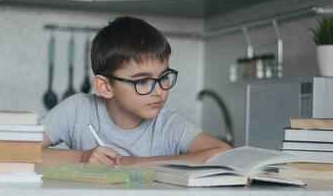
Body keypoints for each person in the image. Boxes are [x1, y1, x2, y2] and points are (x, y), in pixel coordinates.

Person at [40, 16, 231, 167]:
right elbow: (13, 151)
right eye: (142, 81)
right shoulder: (78, 110)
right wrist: (81, 158)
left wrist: (139, 163)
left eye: (163, 77)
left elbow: (224, 153)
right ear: (105, 87)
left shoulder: (167, 124)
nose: (158, 92)